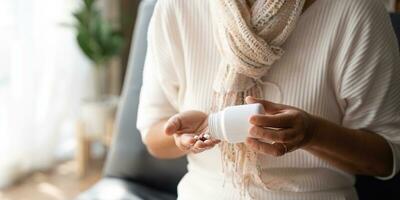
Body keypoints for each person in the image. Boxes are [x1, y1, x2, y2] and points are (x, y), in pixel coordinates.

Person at [137, 0, 400, 199]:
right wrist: (189, 135)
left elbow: (387, 157)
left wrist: (313, 134)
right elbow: (153, 137)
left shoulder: (355, 10)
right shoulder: (176, 7)